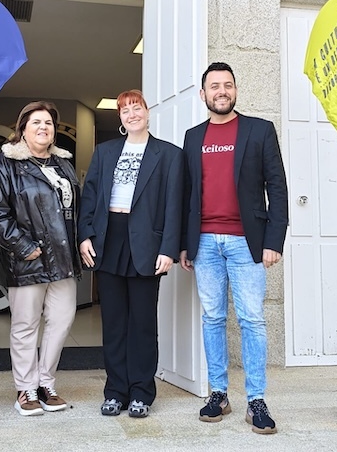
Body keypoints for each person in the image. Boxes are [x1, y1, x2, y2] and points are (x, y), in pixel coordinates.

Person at [179, 62, 289, 435]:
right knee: (212, 318)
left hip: (247, 241)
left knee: (252, 320)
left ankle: (256, 398)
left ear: (236, 90)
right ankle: (219, 394)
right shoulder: (193, 136)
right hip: (205, 242)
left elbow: (277, 187)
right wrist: (184, 243)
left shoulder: (259, 130)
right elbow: (186, 194)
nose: (221, 91)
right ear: (203, 94)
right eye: (214, 86)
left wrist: (274, 240)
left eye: (227, 85)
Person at [78, 90, 184, 418]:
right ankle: (115, 391)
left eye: (136, 108)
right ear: (120, 118)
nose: (131, 114)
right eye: (125, 110)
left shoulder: (168, 155)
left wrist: (169, 249)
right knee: (113, 323)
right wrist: (85, 236)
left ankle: (141, 392)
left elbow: (174, 205)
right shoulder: (105, 152)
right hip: (109, 240)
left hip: (146, 246)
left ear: (147, 112)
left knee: (141, 323)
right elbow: (90, 197)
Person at [0, 101, 82, 416]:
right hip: (27, 258)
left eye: (49, 123)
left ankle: (45, 382)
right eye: (36, 122)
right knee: (26, 325)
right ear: (23, 128)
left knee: (61, 321)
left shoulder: (63, 164)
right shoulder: (6, 164)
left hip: (63, 259)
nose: (44, 127)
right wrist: (24, 245)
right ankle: (25, 389)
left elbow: (73, 212)